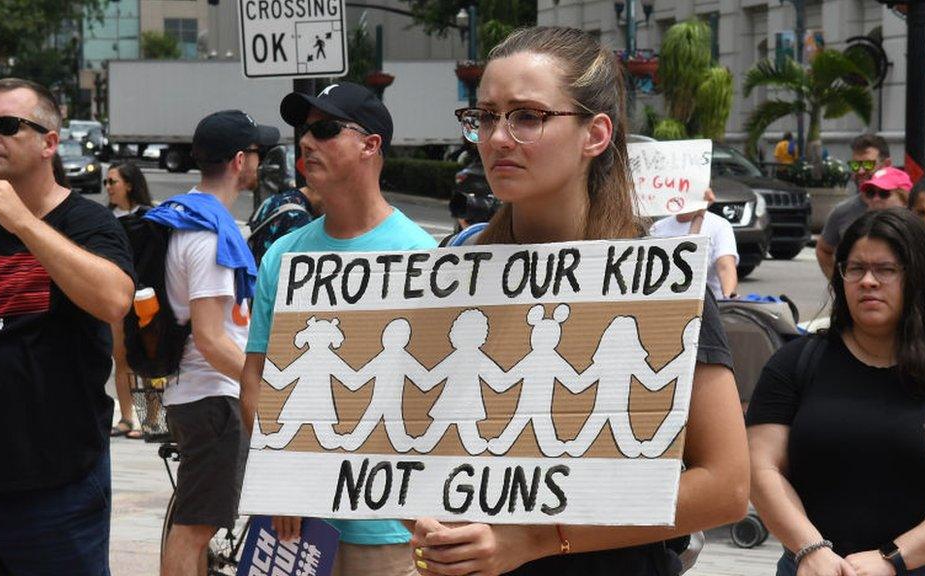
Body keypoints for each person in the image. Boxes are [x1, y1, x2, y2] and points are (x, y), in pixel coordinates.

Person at [408, 26, 748, 576]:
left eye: (527, 116)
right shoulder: (449, 271)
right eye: (485, 116)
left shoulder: (657, 281)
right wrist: (422, 524)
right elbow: (394, 448)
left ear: (595, 135)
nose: (497, 138)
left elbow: (725, 488)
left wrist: (540, 539)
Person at [240, 81, 436, 576]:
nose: (306, 142)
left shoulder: (423, 259)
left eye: (324, 130)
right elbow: (256, 377)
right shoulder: (283, 257)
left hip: (389, 525)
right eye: (303, 132)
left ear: (371, 145)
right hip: (297, 522)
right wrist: (280, 475)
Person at [0, 78, 134, 573]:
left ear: (50, 142)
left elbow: (114, 300)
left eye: (7, 125)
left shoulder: (90, 223)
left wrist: (23, 223)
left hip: (58, 491)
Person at [747, 208, 925, 576]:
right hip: (814, 567)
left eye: (886, 270)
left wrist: (893, 559)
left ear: (919, 277)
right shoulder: (796, 362)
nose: (868, 281)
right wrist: (810, 550)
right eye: (855, 268)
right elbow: (760, 467)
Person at [154, 110, 277, 576]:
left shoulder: (191, 215)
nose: (259, 164)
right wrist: (264, 390)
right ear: (240, 160)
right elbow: (209, 337)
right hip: (213, 398)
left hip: (201, 396)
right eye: (257, 155)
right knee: (194, 528)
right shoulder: (207, 235)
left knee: (195, 522)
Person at [106, 161, 155, 439]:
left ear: (129, 184)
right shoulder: (105, 219)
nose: (108, 187)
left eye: (113, 181)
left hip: (145, 296)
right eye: (107, 182)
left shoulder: (150, 218)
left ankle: (153, 420)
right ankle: (126, 418)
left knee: (148, 357)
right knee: (121, 358)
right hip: (117, 296)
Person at [816, 134, 891, 278]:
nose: (861, 171)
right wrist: (840, 285)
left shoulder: (904, 207)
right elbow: (823, 250)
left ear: (886, 165)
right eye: (856, 165)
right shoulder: (842, 212)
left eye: (868, 165)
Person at [651, 189, 739, 300]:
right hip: (668, 302)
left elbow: (725, 267)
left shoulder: (720, 225)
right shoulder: (657, 228)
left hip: (708, 305)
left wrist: (729, 299)